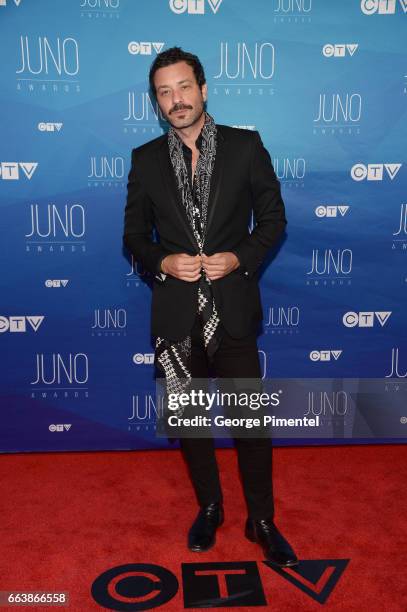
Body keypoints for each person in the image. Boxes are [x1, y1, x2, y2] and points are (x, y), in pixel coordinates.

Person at [123, 47, 298, 567]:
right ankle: (210, 507)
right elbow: (133, 236)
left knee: (251, 424)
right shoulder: (146, 160)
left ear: (203, 89)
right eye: (164, 92)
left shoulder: (246, 147)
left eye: (183, 87)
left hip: (233, 310)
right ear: (157, 102)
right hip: (176, 315)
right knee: (191, 422)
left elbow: (273, 221)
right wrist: (163, 261)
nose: (176, 100)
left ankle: (262, 520)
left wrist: (238, 258)